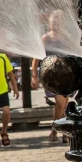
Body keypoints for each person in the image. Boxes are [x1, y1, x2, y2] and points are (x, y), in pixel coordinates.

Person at [31, 11, 71, 142]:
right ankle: (57, 130)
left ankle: (60, 132)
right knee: (60, 102)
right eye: (53, 22)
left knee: (64, 105)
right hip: (50, 75)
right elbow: (36, 58)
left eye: (58, 22)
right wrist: (34, 76)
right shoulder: (46, 38)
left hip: (64, 75)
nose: (55, 25)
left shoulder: (66, 37)